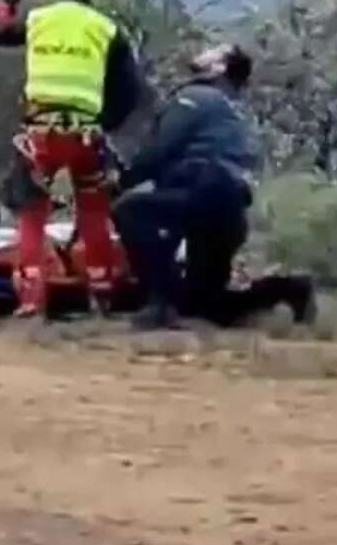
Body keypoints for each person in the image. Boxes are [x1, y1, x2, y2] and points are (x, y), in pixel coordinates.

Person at [0, 0, 145, 315]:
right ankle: (102, 294)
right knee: (93, 212)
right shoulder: (107, 29)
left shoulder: (38, 20)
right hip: (87, 135)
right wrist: (106, 122)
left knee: (32, 215)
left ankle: (30, 299)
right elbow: (131, 89)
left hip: (40, 135)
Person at [113, 43, 278, 330]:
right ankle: (289, 293)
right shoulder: (230, 108)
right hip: (230, 205)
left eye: (214, 51)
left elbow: (161, 149)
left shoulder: (195, 97)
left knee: (130, 211)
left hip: (202, 189)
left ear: (220, 68)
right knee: (205, 306)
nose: (204, 51)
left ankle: (158, 303)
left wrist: (124, 180)